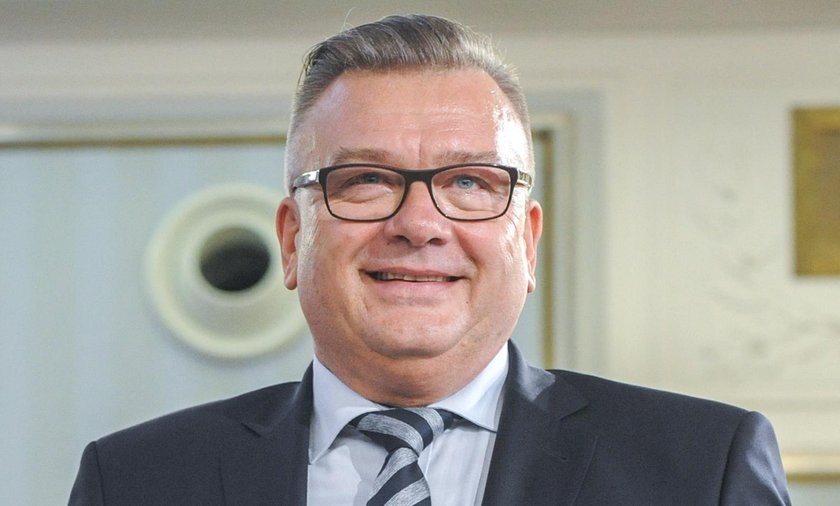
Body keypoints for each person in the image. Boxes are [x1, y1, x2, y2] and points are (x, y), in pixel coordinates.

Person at [69, 14, 791, 505]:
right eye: (366, 180)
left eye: (470, 182)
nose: (418, 224)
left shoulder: (702, 469)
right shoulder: (135, 480)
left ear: (527, 241)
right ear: (292, 239)